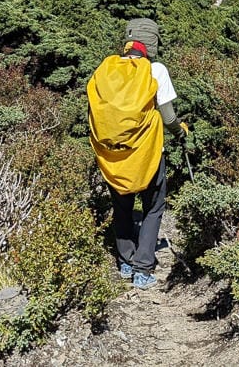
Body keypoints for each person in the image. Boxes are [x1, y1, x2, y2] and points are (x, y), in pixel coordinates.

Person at [87, 17, 186, 290]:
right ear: (152, 42)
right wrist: (180, 132)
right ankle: (143, 270)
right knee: (153, 207)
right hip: (147, 154)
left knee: (122, 208)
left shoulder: (106, 69)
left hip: (114, 156)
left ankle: (126, 263)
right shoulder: (155, 70)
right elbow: (168, 116)